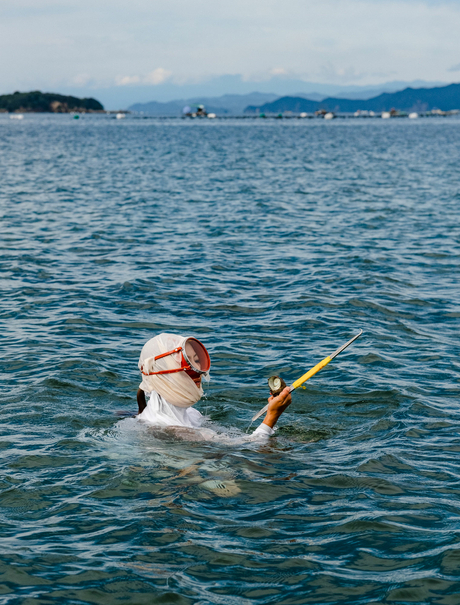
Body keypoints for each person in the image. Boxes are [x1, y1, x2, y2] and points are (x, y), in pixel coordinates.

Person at [136, 333, 292, 440]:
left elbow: (230, 437)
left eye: (196, 360)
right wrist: (272, 416)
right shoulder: (173, 429)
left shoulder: (190, 414)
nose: (196, 369)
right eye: (185, 362)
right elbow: (247, 451)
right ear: (163, 372)